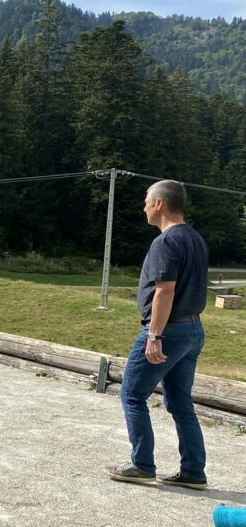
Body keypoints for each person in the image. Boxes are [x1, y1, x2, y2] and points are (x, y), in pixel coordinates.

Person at [105, 180, 209, 489]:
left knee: (132, 394)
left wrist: (154, 335)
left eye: (147, 201)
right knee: (180, 401)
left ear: (160, 203)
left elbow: (165, 291)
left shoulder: (166, 242)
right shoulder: (196, 238)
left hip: (169, 330)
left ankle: (142, 464)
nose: (144, 207)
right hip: (193, 329)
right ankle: (193, 471)